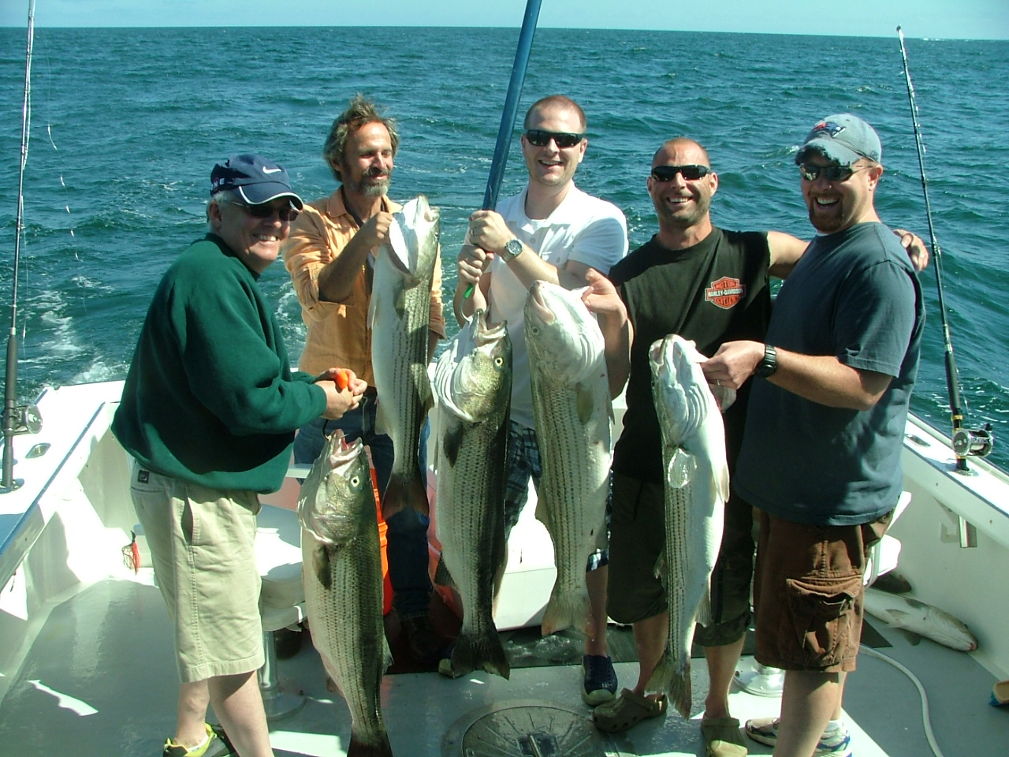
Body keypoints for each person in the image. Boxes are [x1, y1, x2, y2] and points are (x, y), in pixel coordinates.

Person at [583, 136, 927, 757]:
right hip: (645, 459)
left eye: (692, 172)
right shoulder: (627, 276)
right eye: (664, 173)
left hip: (732, 466)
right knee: (647, 590)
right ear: (651, 186)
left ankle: (715, 708)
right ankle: (649, 686)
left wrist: (895, 239)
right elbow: (613, 380)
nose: (677, 183)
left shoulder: (755, 251)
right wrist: (610, 319)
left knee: (723, 586)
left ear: (713, 183)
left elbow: (835, 252)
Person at [112, 153, 363, 757]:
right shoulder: (212, 280)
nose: (273, 223)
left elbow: (239, 384)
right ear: (217, 212)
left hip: (191, 481)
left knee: (208, 622)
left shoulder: (216, 269)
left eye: (282, 211)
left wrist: (308, 388)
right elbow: (250, 405)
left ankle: (191, 735)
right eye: (256, 210)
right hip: (193, 493)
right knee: (229, 648)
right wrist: (321, 400)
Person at [703, 114, 925, 757]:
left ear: (873, 174)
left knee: (816, 647)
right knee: (803, 630)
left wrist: (761, 359)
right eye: (809, 170)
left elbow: (863, 384)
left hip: (830, 498)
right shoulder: (828, 248)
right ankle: (814, 729)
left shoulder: (879, 265)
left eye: (836, 170)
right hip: (790, 489)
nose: (819, 184)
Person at [454, 94, 628, 705]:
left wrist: (505, 247)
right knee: (483, 529)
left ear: (582, 149)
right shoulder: (497, 214)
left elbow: (572, 298)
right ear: (523, 143)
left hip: (571, 419)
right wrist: (466, 284)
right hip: (499, 410)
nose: (551, 149)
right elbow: (472, 313)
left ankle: (597, 646)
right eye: (538, 137)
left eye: (565, 140)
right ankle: (477, 629)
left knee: (585, 537)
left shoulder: (601, 221)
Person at [283, 94, 447, 664]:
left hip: (398, 393)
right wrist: (365, 240)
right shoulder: (310, 220)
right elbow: (320, 292)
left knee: (407, 516)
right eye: (364, 154)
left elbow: (432, 314)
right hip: (332, 396)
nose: (378, 164)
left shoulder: (415, 226)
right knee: (327, 523)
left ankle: (413, 613)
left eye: (385, 153)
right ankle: (324, 617)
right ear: (340, 162)